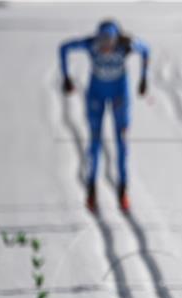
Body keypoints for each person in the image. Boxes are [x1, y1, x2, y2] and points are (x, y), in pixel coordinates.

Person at [59, 19, 149, 212]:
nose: (106, 47)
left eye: (109, 43)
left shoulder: (126, 46)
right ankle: (91, 191)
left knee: (122, 143)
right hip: (96, 96)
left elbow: (146, 49)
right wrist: (65, 77)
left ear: (116, 40)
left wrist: (144, 79)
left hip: (119, 96)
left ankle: (123, 190)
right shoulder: (90, 44)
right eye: (102, 42)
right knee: (94, 144)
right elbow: (64, 48)